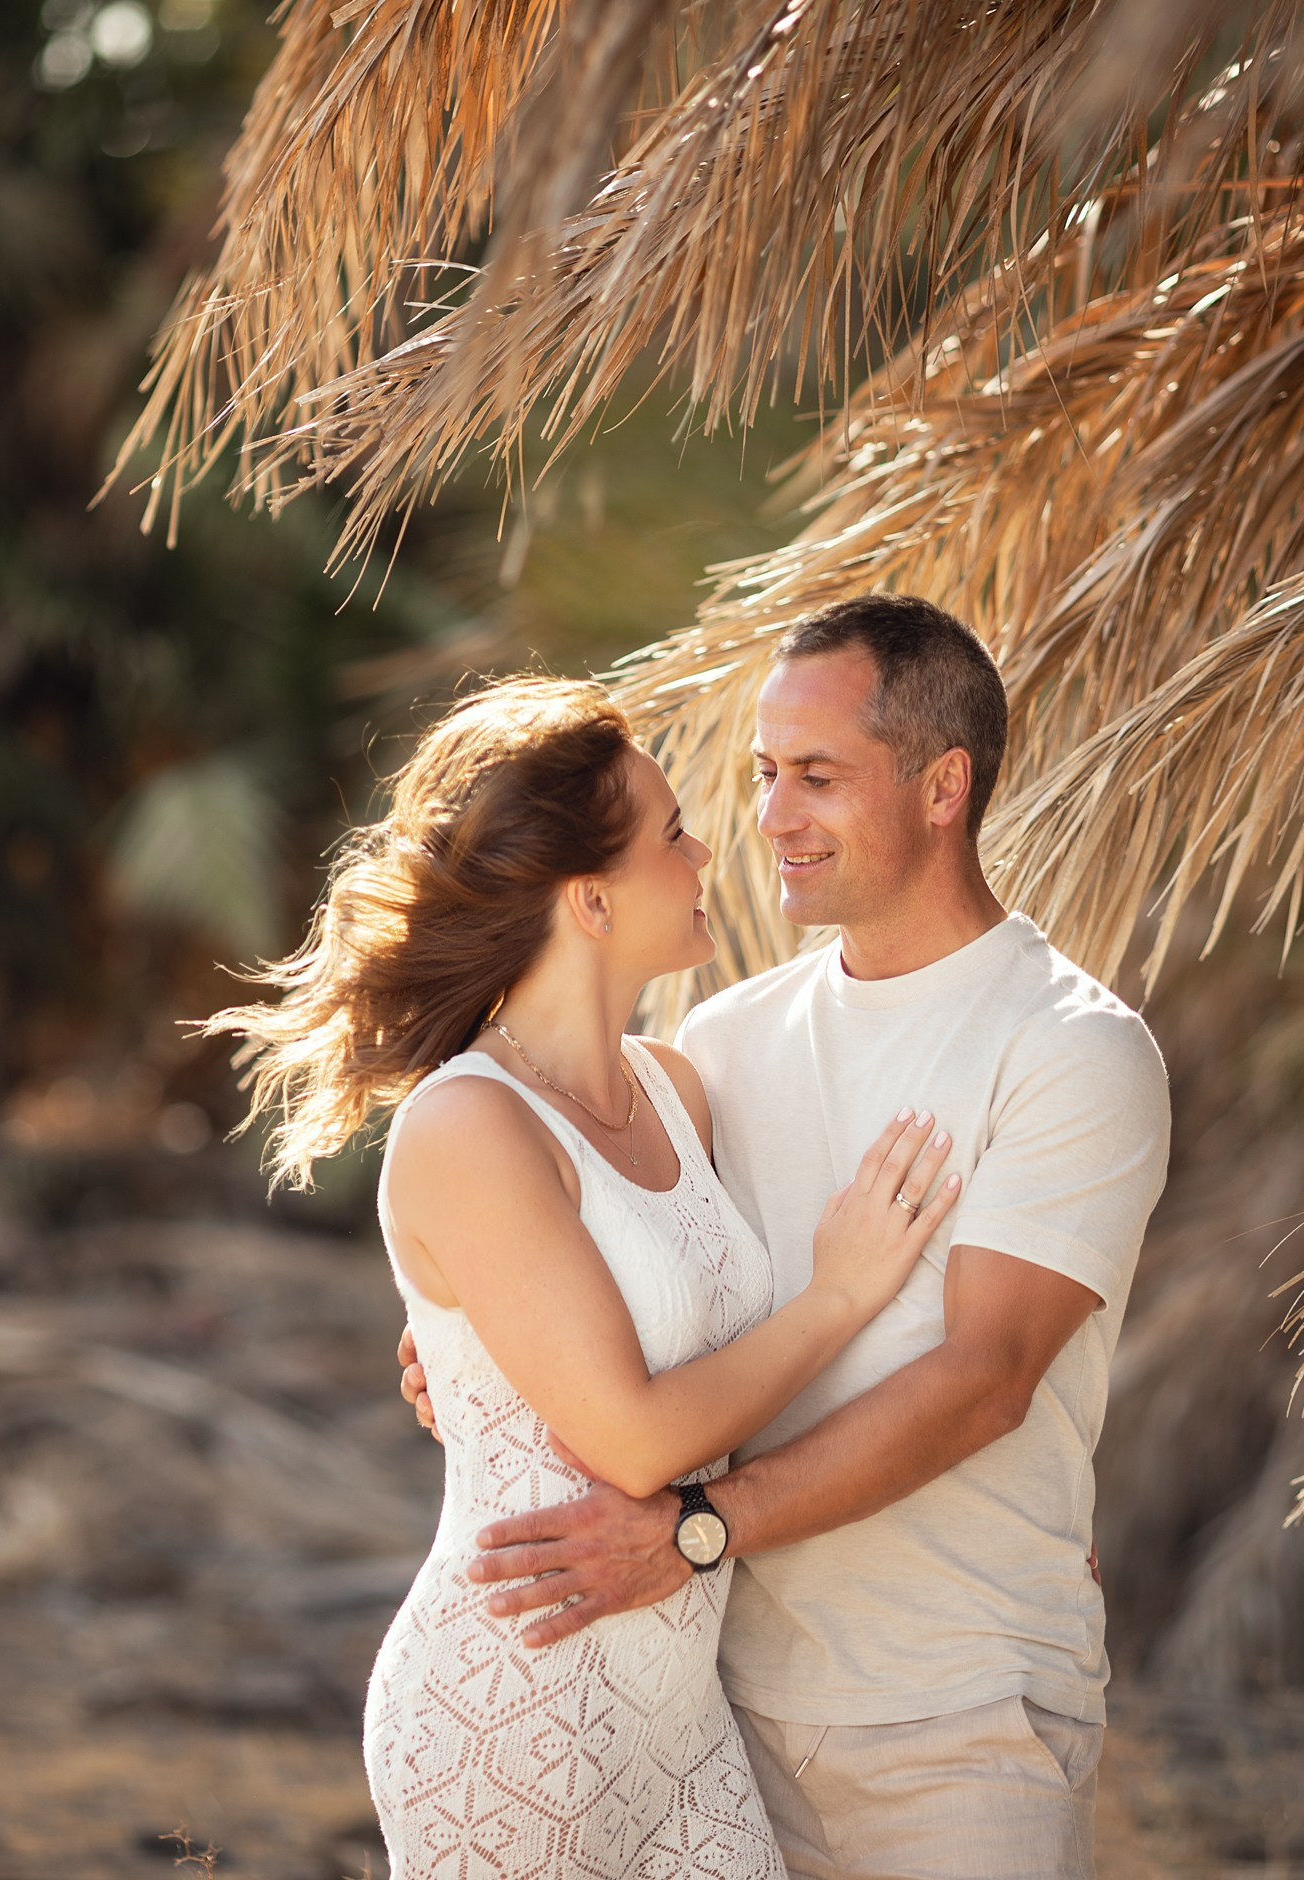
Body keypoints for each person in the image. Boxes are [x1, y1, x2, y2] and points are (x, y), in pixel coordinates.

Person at [401, 598, 1172, 1879]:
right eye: (763, 775)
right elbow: (595, 1243)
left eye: (815, 777)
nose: (767, 818)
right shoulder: (718, 1047)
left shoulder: (1070, 1048)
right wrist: (467, 1339)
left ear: (943, 786)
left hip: (959, 1717)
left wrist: (698, 1525)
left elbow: (984, 1380)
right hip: (713, 1718)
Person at [209, 676, 965, 1878]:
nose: (709, 846)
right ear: (593, 898)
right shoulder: (469, 1124)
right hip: (514, 1705)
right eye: (672, 831)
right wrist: (836, 1293)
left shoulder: (678, 1088)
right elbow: (631, 1438)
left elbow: (669, 1332)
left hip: (674, 1717)